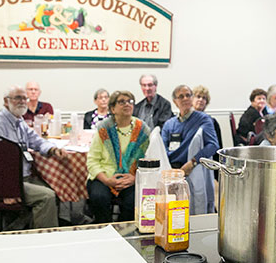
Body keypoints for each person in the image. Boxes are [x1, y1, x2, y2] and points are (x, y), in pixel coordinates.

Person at [0, 85, 63, 228]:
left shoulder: (18, 121)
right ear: (6, 101)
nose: (23, 101)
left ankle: (20, 229)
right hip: (6, 183)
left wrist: (52, 149)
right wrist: (6, 190)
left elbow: (35, 140)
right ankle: (44, 240)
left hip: (22, 178)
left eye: (25, 98)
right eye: (18, 98)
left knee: (58, 189)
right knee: (47, 196)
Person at [87, 90, 151, 224]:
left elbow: (149, 159)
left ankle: (125, 234)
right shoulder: (104, 128)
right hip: (105, 176)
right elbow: (92, 160)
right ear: (113, 108)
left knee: (133, 200)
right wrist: (107, 180)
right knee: (99, 197)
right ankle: (104, 231)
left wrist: (135, 178)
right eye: (121, 102)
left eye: (130, 101)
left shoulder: (142, 129)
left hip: (132, 177)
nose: (127, 104)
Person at [161, 85, 218, 173]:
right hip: (171, 169)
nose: (185, 98)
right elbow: (162, 150)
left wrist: (193, 162)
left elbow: (213, 145)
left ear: (192, 98)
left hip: (194, 169)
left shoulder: (203, 119)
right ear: (175, 102)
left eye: (188, 95)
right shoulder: (169, 125)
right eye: (181, 96)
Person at [192, 85, 222, 150]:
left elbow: (218, 147)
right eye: (198, 97)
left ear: (206, 102)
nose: (201, 100)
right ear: (192, 99)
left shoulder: (213, 122)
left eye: (204, 98)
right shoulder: (185, 122)